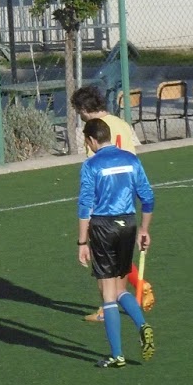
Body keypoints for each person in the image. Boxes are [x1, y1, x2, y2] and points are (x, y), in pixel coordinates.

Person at [70, 85, 153, 320]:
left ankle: (107, 309)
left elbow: (95, 170)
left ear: (84, 109)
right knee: (119, 256)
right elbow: (133, 161)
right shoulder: (121, 124)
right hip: (126, 198)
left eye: (78, 111)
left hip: (104, 204)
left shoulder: (94, 130)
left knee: (103, 260)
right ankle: (132, 288)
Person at [77, 117, 155, 368]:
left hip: (103, 228)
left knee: (108, 294)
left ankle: (117, 355)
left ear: (91, 140)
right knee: (121, 288)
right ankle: (142, 324)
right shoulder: (131, 159)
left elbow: (85, 206)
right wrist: (144, 229)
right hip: (128, 225)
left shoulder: (91, 165)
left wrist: (82, 242)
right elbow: (148, 197)